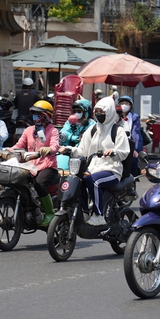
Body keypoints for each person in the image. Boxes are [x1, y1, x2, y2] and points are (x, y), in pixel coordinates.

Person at [59, 96, 131, 227]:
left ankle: (99, 215)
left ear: (109, 112)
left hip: (112, 170)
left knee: (94, 181)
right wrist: (68, 149)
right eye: (97, 111)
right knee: (78, 179)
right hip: (93, 168)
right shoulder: (92, 130)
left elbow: (124, 152)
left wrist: (113, 152)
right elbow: (82, 150)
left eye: (102, 111)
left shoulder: (118, 131)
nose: (99, 114)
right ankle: (85, 211)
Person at [10, 101, 60, 226]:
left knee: (39, 184)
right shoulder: (28, 130)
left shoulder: (53, 131)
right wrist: (5, 151)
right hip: (30, 166)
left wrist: (49, 149)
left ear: (46, 116)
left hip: (48, 166)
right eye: (34, 114)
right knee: (17, 182)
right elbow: (19, 145)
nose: (36, 118)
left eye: (39, 115)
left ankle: (49, 213)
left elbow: (55, 145)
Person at [117, 95, 143, 177]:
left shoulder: (134, 117)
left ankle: (132, 181)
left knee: (133, 161)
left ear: (130, 105)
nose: (124, 104)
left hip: (129, 144)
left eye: (126, 103)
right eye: (122, 103)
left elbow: (136, 134)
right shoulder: (115, 115)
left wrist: (135, 150)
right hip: (116, 144)